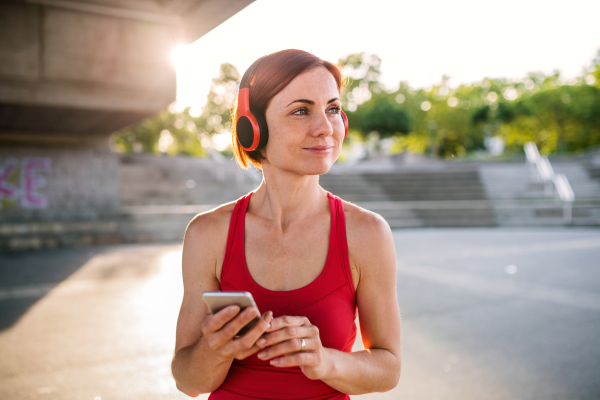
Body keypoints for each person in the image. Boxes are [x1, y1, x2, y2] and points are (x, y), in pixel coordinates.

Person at [171, 49, 401, 399]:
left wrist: (326, 361)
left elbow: (388, 368)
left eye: (333, 109)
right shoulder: (208, 233)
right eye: (300, 111)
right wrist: (215, 350)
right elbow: (188, 382)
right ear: (253, 128)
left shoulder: (367, 233)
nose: (325, 128)